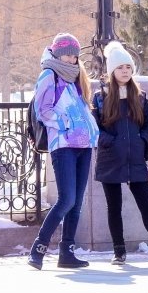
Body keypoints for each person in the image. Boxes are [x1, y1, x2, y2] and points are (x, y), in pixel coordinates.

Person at [94, 41, 148, 265]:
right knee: (114, 208)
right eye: (121, 67)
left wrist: (143, 141)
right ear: (112, 70)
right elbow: (96, 128)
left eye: (128, 68)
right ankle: (119, 251)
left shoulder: (140, 98)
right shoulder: (101, 97)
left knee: (146, 207)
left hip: (135, 159)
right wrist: (109, 141)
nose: (125, 71)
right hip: (111, 158)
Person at [27, 33, 100, 270]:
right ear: (58, 53)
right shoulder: (49, 75)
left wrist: (91, 131)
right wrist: (66, 125)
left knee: (76, 202)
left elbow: (81, 108)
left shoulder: (76, 78)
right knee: (66, 199)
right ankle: (38, 249)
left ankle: (66, 252)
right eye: (69, 54)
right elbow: (43, 110)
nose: (72, 59)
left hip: (83, 145)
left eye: (75, 55)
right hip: (63, 145)